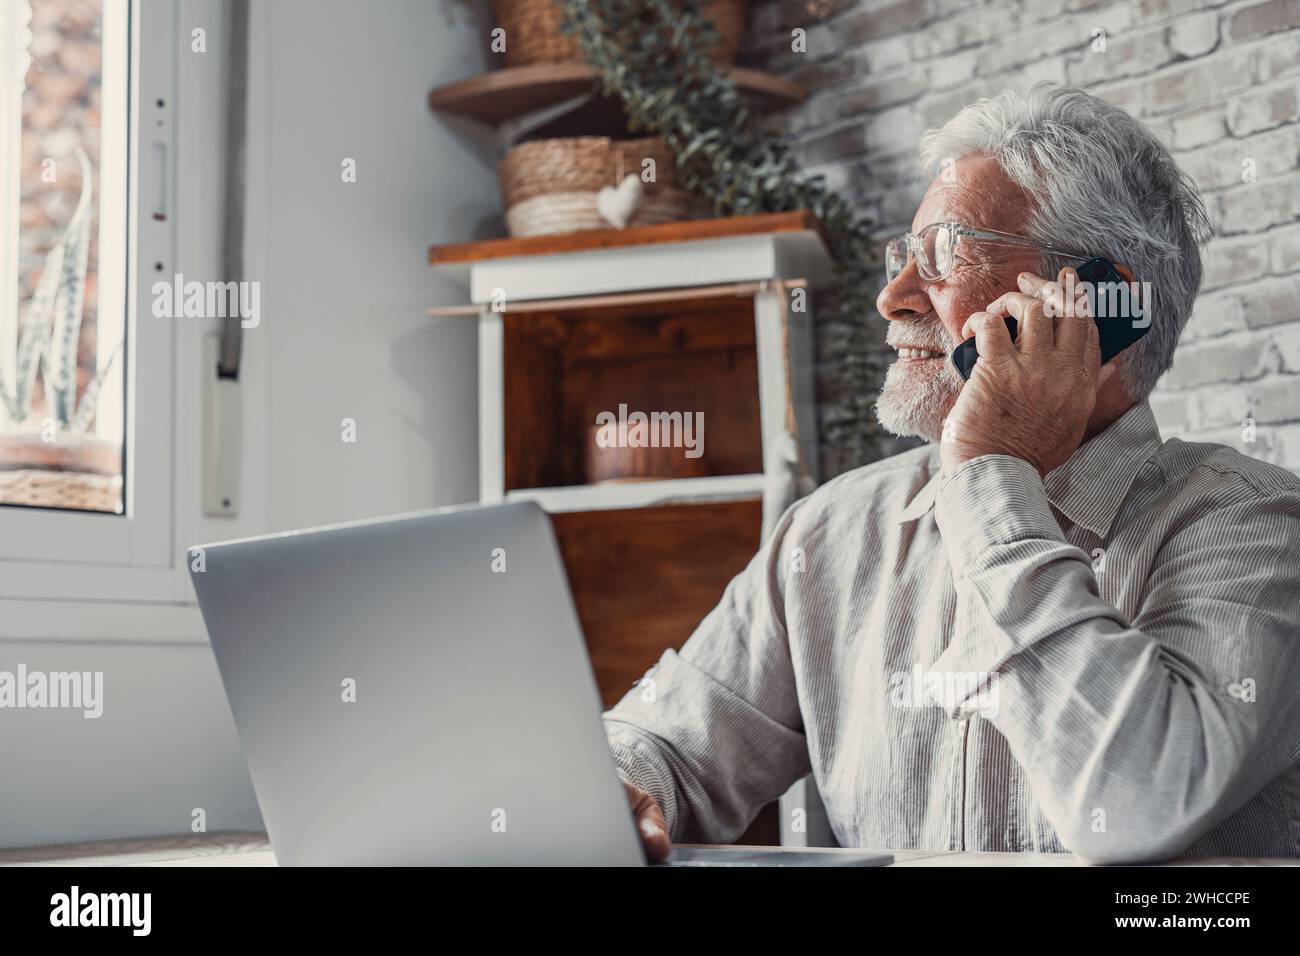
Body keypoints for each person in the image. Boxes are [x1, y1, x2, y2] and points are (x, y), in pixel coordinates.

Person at [604, 83, 1300, 865]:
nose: (891, 299)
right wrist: (629, 785)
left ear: (1102, 309)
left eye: (942, 254)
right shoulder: (830, 532)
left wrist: (993, 478)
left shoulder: (1257, 528)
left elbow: (1137, 802)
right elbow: (665, 741)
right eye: (904, 257)